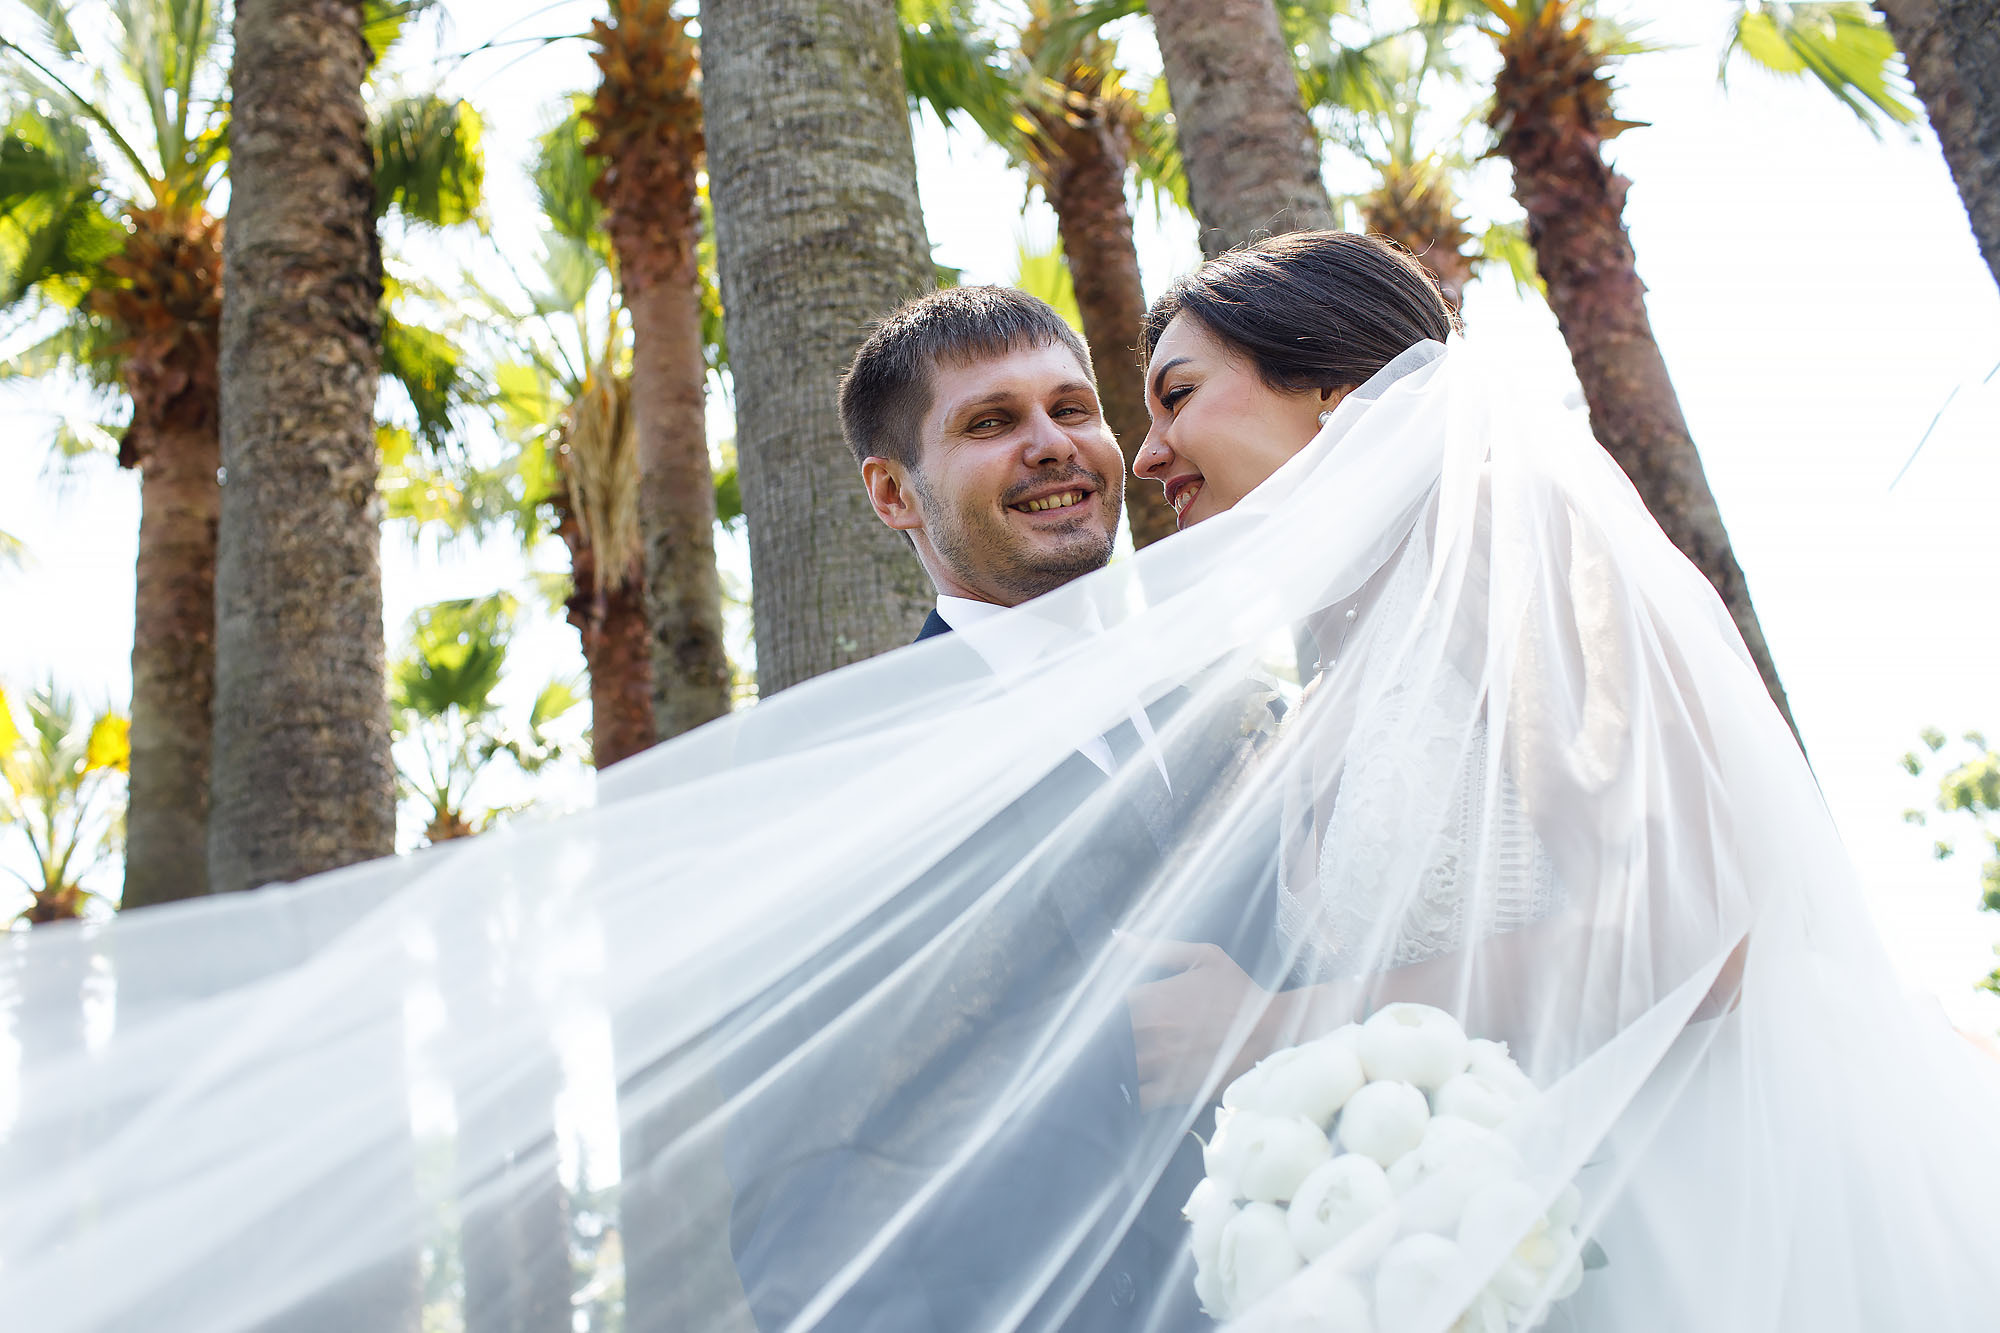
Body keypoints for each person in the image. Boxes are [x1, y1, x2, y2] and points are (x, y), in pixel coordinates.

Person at [10, 235, 2000, 1333]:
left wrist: (1298, 1054)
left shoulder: (1279, 704)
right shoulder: (848, 774)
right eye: (1005, 424)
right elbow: (796, 1149)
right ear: (892, 494)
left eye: (1115, 401)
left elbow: (1672, 937)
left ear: (1338, 407)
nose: (1092, 451)